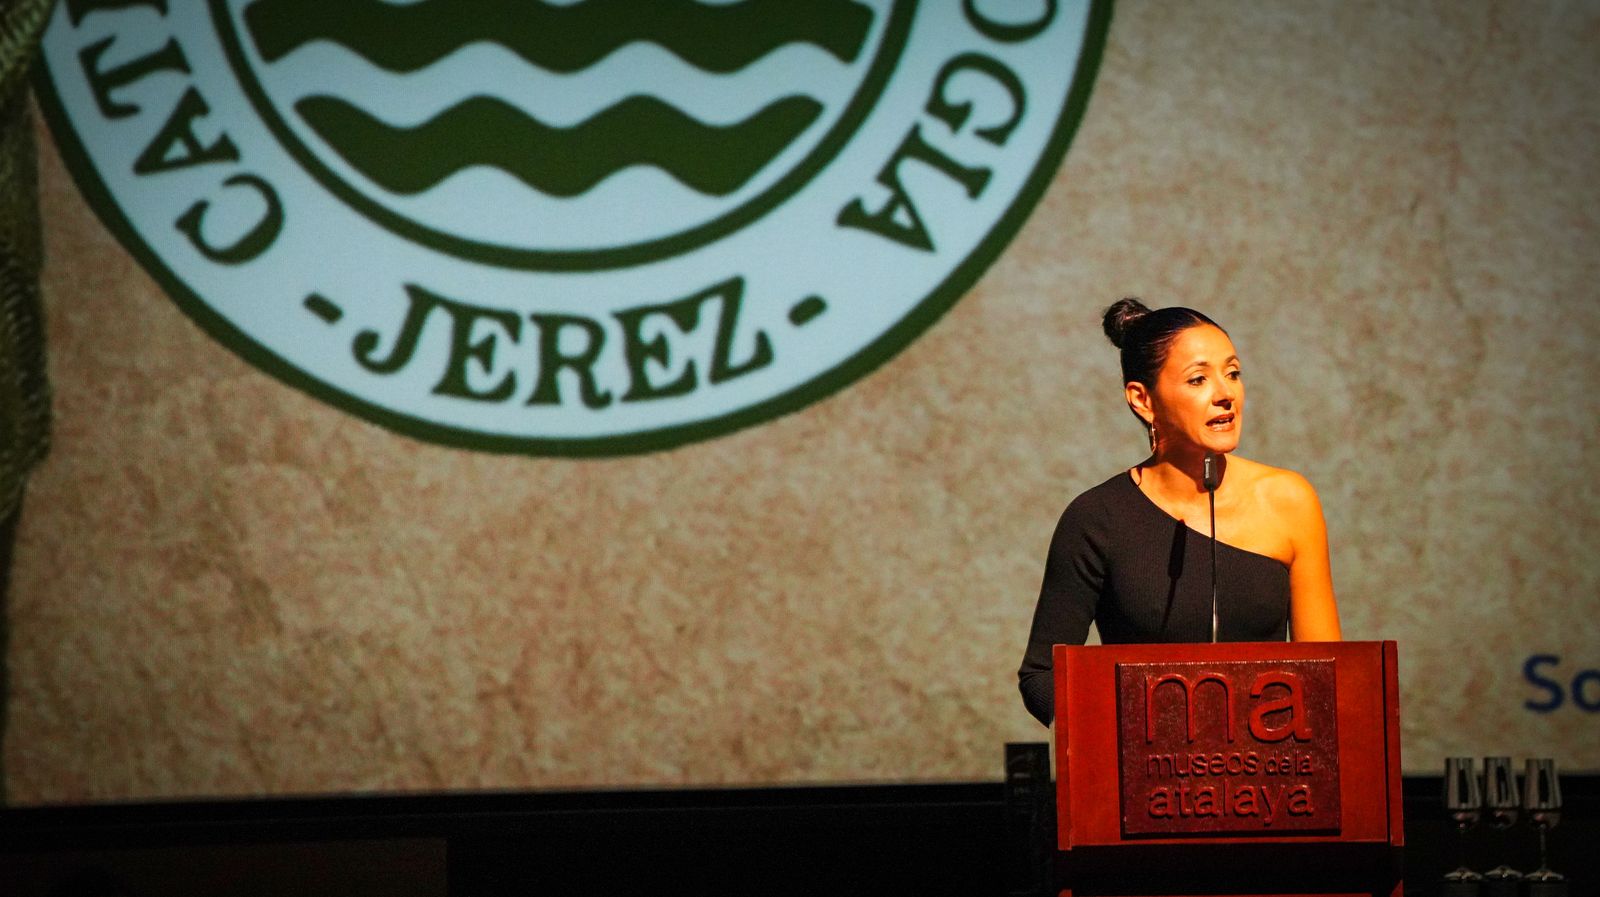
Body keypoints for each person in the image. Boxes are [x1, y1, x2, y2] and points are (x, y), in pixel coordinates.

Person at [1017, 298, 1341, 726]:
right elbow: (1042, 680)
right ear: (1143, 400)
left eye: (1233, 373)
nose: (1225, 394)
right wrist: (1154, 718)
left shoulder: (1288, 499)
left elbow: (1329, 675)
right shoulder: (1097, 518)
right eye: (1198, 379)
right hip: (1152, 777)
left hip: (1272, 778)